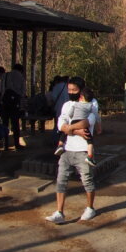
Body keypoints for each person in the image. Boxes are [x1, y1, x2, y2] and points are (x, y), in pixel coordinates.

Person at [46, 77, 98, 224]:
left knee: (87, 180)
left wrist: (69, 128)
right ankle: (59, 212)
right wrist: (74, 131)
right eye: (69, 90)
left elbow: (88, 122)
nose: (71, 93)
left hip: (82, 149)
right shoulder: (67, 104)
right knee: (61, 180)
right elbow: (61, 123)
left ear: (81, 90)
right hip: (67, 149)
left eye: (74, 90)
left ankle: (90, 208)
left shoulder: (91, 102)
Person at [54, 85, 100, 167]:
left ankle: (60, 145)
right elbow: (95, 117)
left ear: (80, 96)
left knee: (64, 133)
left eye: (74, 90)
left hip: (74, 121)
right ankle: (90, 157)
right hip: (83, 124)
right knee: (90, 141)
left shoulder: (75, 104)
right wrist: (99, 127)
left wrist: (70, 126)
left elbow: (70, 114)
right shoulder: (91, 105)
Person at [1, 63, 27, 149]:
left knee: (5, 123)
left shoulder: (5, 75)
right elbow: (23, 92)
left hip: (5, 102)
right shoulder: (21, 77)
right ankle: (16, 143)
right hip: (15, 103)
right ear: (21, 70)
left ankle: (5, 144)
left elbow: (1, 90)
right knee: (15, 124)